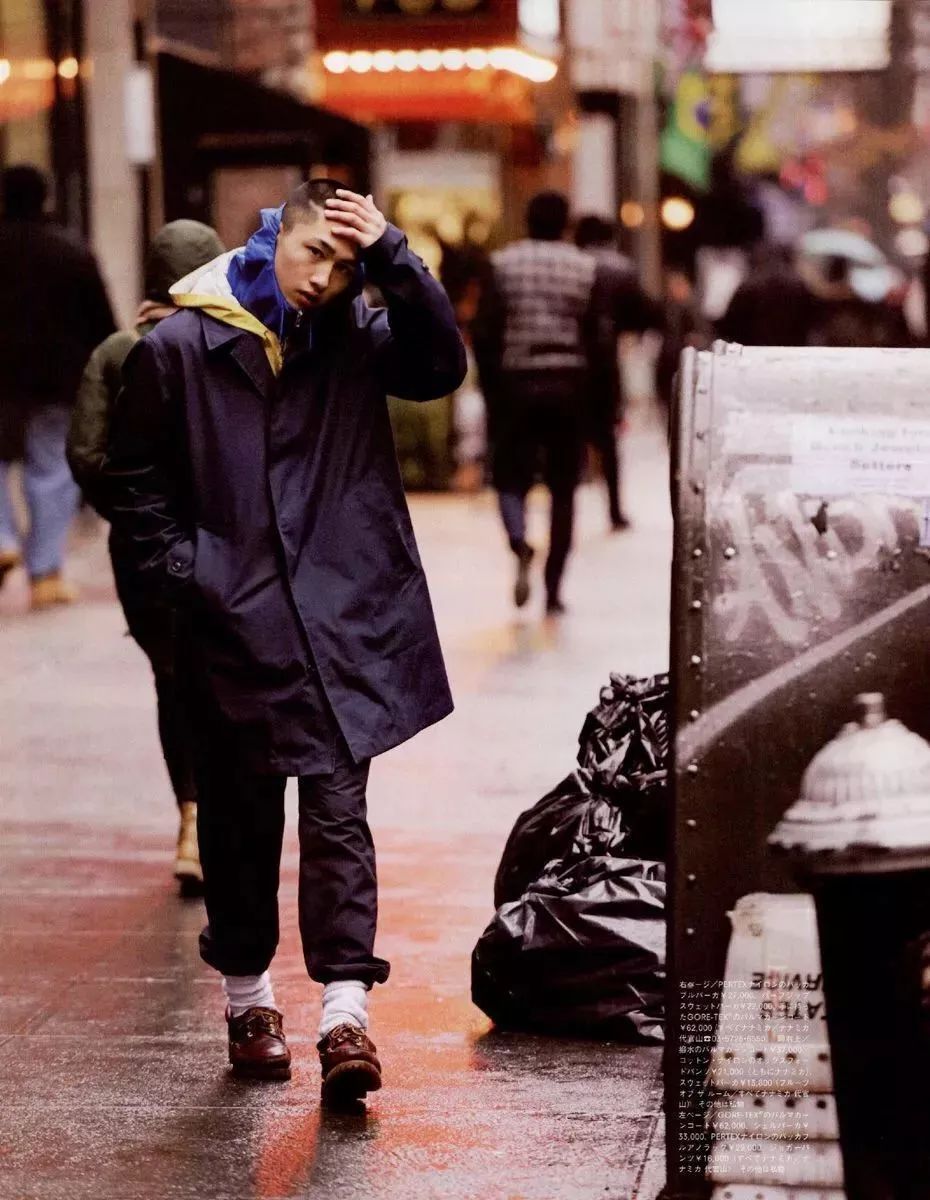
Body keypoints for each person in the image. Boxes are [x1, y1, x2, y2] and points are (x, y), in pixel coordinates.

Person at [102, 181, 465, 1102]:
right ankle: (249, 1000)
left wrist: (392, 254)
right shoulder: (182, 346)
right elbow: (133, 476)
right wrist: (193, 574)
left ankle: (346, 1014)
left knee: (339, 816)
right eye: (317, 256)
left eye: (346, 269)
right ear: (271, 243)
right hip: (234, 623)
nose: (326, 279)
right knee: (240, 821)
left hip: (340, 623)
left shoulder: (349, 338)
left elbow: (439, 363)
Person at [67, 219, 225, 896]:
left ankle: (191, 821)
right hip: (225, 551)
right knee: (223, 681)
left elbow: (86, 455)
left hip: (141, 558)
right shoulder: (229, 341)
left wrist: (134, 520)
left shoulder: (116, 351)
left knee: (172, 680)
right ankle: (223, 823)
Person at [473, 192, 613, 615]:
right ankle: (553, 588)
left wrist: (491, 388)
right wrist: (597, 401)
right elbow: (598, 339)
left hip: (516, 386)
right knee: (563, 490)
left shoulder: (502, 265)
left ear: (526, 220)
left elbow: (486, 332)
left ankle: (519, 540)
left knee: (509, 476)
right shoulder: (585, 269)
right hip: (568, 388)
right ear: (566, 224)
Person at [0, 165, 115, 606]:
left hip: (2, 381)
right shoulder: (70, 250)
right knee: (51, 470)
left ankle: (3, 538)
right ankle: (45, 573)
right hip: (57, 382)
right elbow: (100, 321)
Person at [574, 215, 662, 531]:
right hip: (606, 361)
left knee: (572, 435)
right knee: (609, 437)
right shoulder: (622, 269)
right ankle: (614, 509)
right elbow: (648, 314)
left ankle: (568, 505)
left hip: (571, 359)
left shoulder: (572, 265)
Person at [717, 243, 817, 347]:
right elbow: (814, 319)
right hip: (792, 348)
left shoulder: (750, 285)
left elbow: (729, 324)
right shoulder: (800, 286)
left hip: (754, 348)